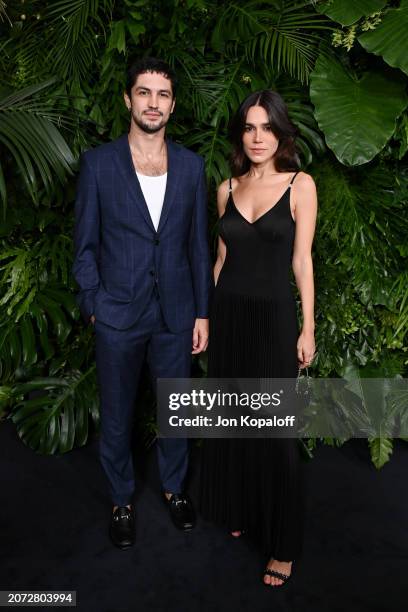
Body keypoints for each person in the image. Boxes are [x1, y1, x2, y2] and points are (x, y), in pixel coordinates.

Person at [73, 57, 212, 549]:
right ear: (129, 99)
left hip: (175, 314)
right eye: (144, 93)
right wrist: (95, 303)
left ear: (172, 105)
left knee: (178, 410)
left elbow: (198, 245)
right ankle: (122, 501)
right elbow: (85, 246)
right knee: (117, 414)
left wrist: (201, 312)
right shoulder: (98, 164)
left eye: (163, 95)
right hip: (117, 314)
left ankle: (175, 491)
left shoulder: (193, 167)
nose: (153, 103)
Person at [199, 90, 317, 586]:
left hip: (272, 322)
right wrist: (203, 317)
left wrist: (308, 326)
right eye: (249, 128)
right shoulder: (227, 188)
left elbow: (301, 261)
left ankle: (284, 546)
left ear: (282, 134)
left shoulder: (300, 184)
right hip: (228, 318)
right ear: (240, 134)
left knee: (276, 433)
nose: (257, 137)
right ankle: (242, 508)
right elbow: (220, 262)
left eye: (266, 128)